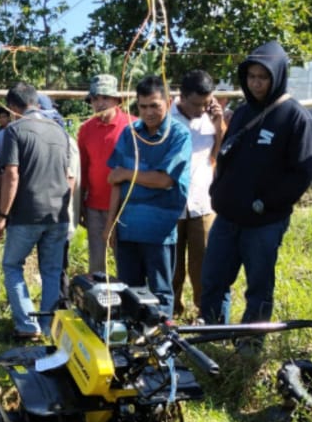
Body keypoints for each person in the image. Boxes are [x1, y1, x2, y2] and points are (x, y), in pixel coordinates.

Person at [199, 42, 312, 325]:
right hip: (227, 217)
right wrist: (218, 192)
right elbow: (225, 154)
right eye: (251, 77)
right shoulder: (242, 113)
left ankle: (250, 344)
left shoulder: (295, 117)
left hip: (264, 221)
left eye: (262, 77)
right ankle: (213, 334)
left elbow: (301, 174)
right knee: (213, 280)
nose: (256, 83)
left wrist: (265, 203)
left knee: (259, 287)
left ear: (277, 77)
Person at [0, 81, 74, 340]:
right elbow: (67, 175)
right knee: (51, 270)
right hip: (58, 213)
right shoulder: (60, 131)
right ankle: (49, 327)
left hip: (27, 213)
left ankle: (27, 325)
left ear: (13, 107)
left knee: (12, 264)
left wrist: (2, 215)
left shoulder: (15, 130)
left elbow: (11, 174)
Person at [105, 76, 191, 316]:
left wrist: (126, 173)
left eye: (155, 105)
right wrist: (110, 224)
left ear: (169, 101)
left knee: (160, 294)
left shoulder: (178, 135)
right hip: (127, 228)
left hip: (158, 232)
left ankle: (161, 348)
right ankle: (132, 346)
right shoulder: (129, 133)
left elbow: (164, 180)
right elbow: (115, 181)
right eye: (143, 106)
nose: (149, 112)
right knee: (128, 292)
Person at [172, 70, 227, 318]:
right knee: (172, 266)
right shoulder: (166, 117)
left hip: (202, 202)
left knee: (204, 265)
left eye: (206, 103)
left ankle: (204, 314)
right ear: (181, 97)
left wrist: (219, 127)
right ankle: (170, 314)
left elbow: (218, 157)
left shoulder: (213, 118)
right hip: (172, 203)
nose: (200, 109)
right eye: (195, 104)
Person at [76, 74, 132, 276]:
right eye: (95, 98)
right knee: (97, 265)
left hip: (125, 207)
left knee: (126, 262)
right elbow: (82, 168)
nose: (100, 103)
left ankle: (126, 304)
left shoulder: (132, 126)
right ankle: (99, 305)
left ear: (117, 100)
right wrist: (80, 204)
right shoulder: (85, 130)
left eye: (105, 98)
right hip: (94, 207)